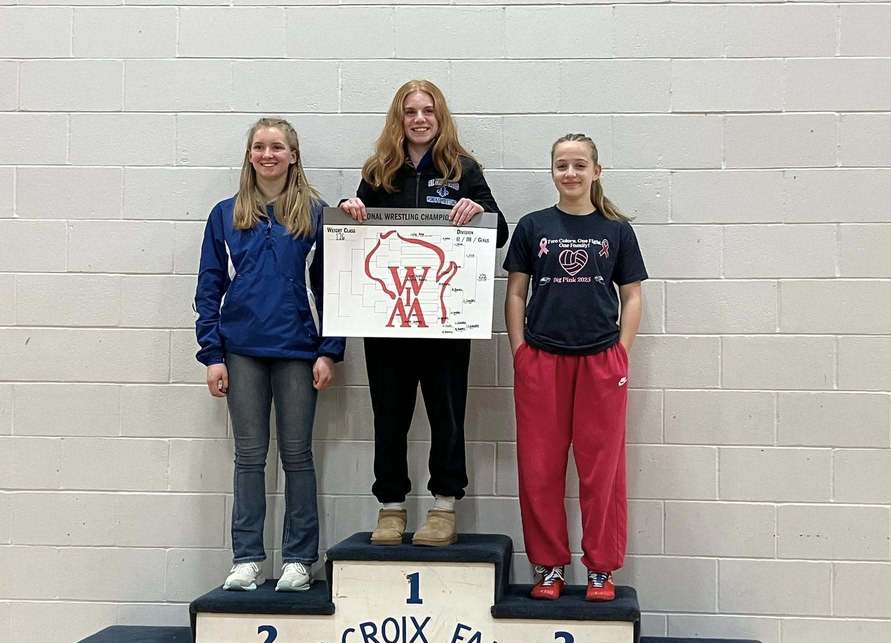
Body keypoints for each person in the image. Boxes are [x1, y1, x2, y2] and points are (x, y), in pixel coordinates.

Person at [341, 80, 508, 547]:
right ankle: (390, 507)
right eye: (410, 111)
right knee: (388, 415)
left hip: (444, 319)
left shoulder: (463, 168)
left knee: (447, 413)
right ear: (399, 117)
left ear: (440, 117)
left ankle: (443, 506)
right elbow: (353, 230)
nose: (419, 119)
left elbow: (498, 233)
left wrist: (478, 209)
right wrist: (350, 207)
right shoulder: (379, 171)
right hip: (388, 321)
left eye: (428, 111)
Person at [194, 117, 344, 592]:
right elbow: (209, 287)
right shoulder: (225, 214)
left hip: (299, 351)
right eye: (259, 146)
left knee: (297, 456)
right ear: (250, 155)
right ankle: (248, 558)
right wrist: (212, 354)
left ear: (293, 155)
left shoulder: (316, 215)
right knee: (249, 457)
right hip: (241, 353)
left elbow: (333, 288)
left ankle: (301, 558)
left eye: (277, 146)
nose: (268, 154)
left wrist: (330, 351)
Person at [503, 133, 647, 602]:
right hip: (542, 360)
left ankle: (601, 569)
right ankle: (548, 566)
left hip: (601, 361)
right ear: (553, 172)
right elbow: (516, 293)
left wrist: (621, 352)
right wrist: (520, 350)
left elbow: (632, 296)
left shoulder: (616, 230)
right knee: (539, 469)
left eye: (579, 165)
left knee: (601, 470)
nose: (571, 173)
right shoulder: (532, 226)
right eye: (562, 165)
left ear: (596, 172)